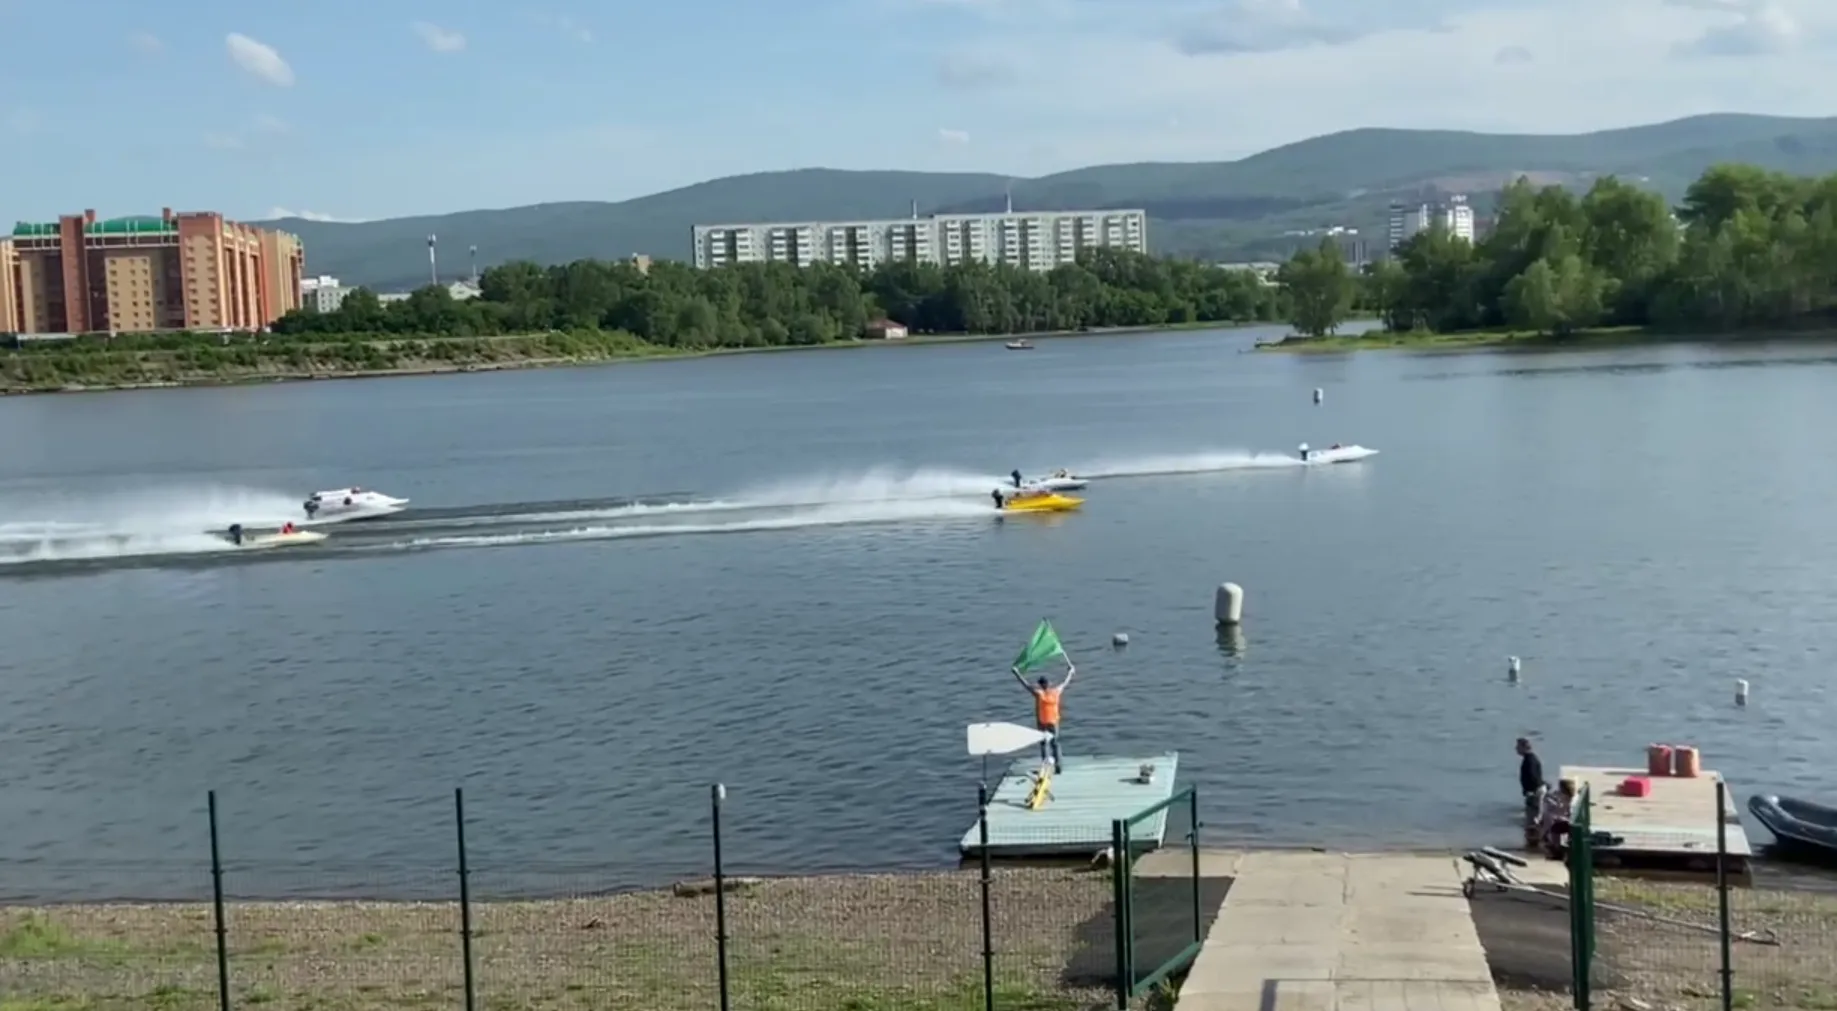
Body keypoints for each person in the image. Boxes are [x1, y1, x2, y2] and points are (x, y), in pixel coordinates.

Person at [1013, 667, 1073, 773]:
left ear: (1040, 685)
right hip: (1054, 722)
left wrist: (1017, 673)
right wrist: (1070, 672)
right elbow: (1065, 683)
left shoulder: (1039, 694)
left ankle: (1046, 768)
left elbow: (1026, 685)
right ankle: (1058, 767)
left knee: (1044, 745)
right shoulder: (1055, 692)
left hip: (1043, 723)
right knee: (1055, 744)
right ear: (1048, 684)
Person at [1538, 778, 1578, 859]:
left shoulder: (1568, 799)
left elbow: (1568, 813)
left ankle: (1556, 849)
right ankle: (1555, 847)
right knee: (1551, 820)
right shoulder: (1573, 797)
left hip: (1571, 823)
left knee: (1552, 823)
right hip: (1572, 821)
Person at [1517, 737, 1546, 846]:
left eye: (1518, 747)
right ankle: (1533, 841)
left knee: (1533, 818)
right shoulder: (1530, 759)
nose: (1516, 749)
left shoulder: (1530, 761)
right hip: (1536, 790)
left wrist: (1531, 792)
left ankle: (1533, 843)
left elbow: (1533, 777)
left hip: (1534, 791)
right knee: (1535, 816)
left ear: (1524, 747)